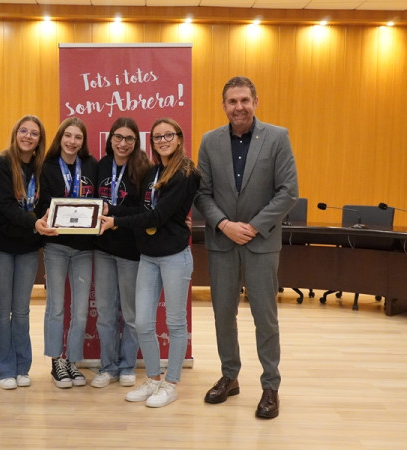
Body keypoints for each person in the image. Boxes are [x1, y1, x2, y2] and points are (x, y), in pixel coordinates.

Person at [194, 76, 299, 419]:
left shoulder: (278, 137)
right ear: (223, 105)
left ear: (256, 101)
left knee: (264, 318)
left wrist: (252, 227)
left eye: (244, 100)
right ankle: (230, 376)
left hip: (261, 242)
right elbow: (202, 194)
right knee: (223, 313)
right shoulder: (209, 142)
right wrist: (225, 225)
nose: (238, 107)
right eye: (232, 101)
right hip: (222, 242)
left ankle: (270, 385)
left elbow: (287, 191)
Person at [100, 118, 200, 408]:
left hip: (174, 257)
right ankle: (154, 379)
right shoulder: (153, 171)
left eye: (169, 135)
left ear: (179, 138)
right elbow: (140, 208)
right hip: (148, 256)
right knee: (143, 322)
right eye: (157, 137)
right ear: (152, 142)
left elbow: (157, 216)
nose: (163, 140)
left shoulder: (185, 172)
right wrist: (109, 209)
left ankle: (171, 383)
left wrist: (115, 221)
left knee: (175, 322)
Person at [0, 115, 56, 391]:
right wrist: (35, 223)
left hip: (29, 247)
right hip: (3, 248)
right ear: (16, 133)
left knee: (22, 310)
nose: (28, 136)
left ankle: (22, 366)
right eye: (24, 131)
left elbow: (46, 205)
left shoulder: (42, 168)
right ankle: (4, 368)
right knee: (3, 311)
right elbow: (3, 206)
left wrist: (46, 219)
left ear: (40, 140)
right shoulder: (2, 164)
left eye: (35, 133)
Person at [35, 117, 98, 389]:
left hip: (85, 248)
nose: (72, 141)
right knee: (56, 308)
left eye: (78, 137)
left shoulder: (92, 166)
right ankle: (56, 361)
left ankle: (73, 361)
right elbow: (41, 207)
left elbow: (99, 200)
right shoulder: (47, 167)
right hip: (56, 245)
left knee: (81, 310)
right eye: (68, 136)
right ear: (60, 138)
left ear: (83, 142)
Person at [91, 117, 151, 389]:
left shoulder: (143, 168)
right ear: (110, 138)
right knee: (104, 312)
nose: (123, 143)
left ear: (136, 141)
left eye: (129, 138)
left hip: (130, 251)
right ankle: (108, 367)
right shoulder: (100, 166)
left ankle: (127, 365)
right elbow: (90, 203)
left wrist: (112, 212)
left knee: (130, 313)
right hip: (102, 249)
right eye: (118, 137)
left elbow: (143, 213)